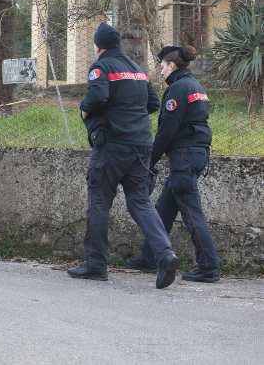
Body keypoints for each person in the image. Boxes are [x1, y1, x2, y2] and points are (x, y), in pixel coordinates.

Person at [68, 22, 180, 289]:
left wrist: (84, 110)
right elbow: (152, 103)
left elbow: (97, 96)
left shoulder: (101, 67)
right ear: (117, 43)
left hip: (111, 147)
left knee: (99, 202)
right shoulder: (137, 70)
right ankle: (165, 255)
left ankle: (96, 264)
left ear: (98, 46)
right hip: (141, 146)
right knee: (140, 202)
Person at [126, 45, 220, 283]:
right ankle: (150, 256)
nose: (160, 70)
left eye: (162, 66)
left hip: (185, 157)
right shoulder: (196, 86)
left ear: (172, 65)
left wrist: (149, 160)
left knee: (191, 212)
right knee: (164, 208)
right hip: (196, 154)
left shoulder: (178, 89)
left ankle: (209, 267)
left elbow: (167, 131)